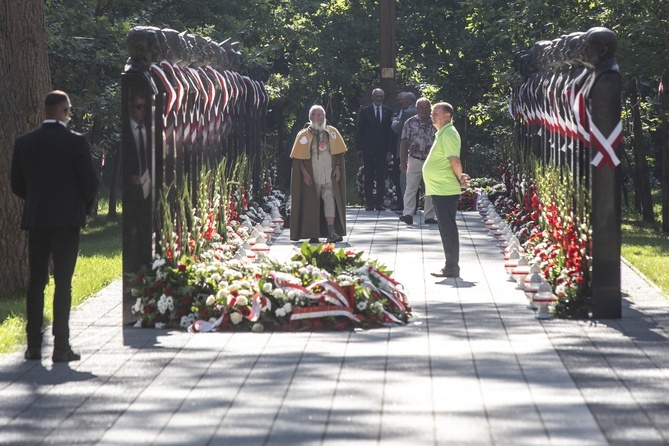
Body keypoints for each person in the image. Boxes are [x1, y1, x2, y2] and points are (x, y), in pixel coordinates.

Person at [11, 90, 99, 362]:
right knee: (63, 284)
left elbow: (17, 184)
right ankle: (61, 346)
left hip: (37, 220)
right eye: (69, 110)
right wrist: (80, 207)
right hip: (66, 220)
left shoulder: (24, 142)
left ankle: (33, 346)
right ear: (64, 111)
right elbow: (90, 183)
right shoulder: (75, 142)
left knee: (36, 283)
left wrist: (38, 201)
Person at [423, 102, 469, 278]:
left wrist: (460, 179)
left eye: (436, 113)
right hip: (440, 188)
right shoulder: (443, 133)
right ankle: (450, 266)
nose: (432, 115)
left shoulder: (449, 133)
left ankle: (451, 267)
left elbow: (454, 160)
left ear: (447, 116)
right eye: (432, 113)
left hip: (445, 189)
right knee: (445, 227)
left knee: (447, 228)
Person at [289, 105, 347, 243]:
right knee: (311, 203)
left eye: (322, 115)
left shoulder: (332, 132)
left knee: (330, 201)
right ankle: (312, 232)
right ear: (310, 117)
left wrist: (338, 167)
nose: (320, 117)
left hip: (329, 174)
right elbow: (298, 158)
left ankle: (331, 231)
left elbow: (339, 152)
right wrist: (304, 173)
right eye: (317, 115)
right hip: (312, 175)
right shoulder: (303, 135)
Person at [399, 97, 437, 225]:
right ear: (417, 108)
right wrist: (403, 161)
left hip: (431, 161)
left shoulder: (436, 123)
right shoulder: (410, 122)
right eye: (421, 107)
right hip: (414, 159)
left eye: (427, 107)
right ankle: (408, 214)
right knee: (411, 188)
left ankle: (429, 216)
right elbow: (404, 142)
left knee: (431, 189)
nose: (424, 110)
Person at [355, 88, 394, 211]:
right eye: (377, 96)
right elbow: (360, 130)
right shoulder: (365, 111)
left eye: (381, 96)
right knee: (369, 175)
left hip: (382, 149)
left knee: (381, 175)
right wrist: (359, 148)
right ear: (373, 97)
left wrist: (389, 151)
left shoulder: (388, 112)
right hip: (368, 148)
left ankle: (379, 202)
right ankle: (369, 203)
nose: (379, 99)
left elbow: (390, 133)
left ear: (383, 97)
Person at [391, 92, 417, 211]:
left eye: (403, 101)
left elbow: (397, 128)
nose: (402, 104)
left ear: (408, 102)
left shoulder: (407, 113)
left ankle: (406, 206)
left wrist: (394, 121)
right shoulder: (423, 113)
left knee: (405, 180)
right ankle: (414, 205)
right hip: (419, 151)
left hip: (406, 150)